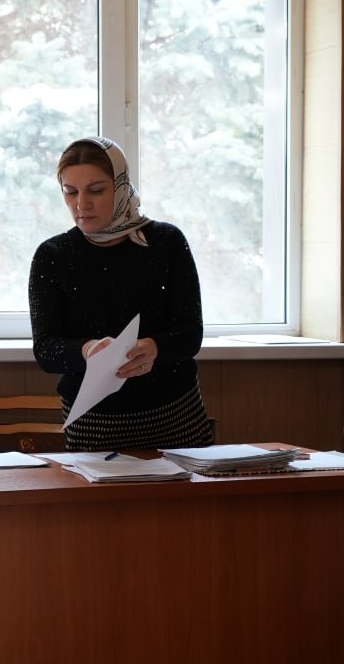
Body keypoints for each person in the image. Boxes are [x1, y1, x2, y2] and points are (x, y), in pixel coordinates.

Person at [29, 135, 214, 451]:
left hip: (175, 413)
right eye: (70, 192)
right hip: (94, 423)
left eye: (96, 190)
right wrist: (87, 350)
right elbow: (46, 349)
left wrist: (154, 347)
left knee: (183, 487)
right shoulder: (53, 255)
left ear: (121, 186)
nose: (81, 204)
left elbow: (190, 333)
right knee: (95, 488)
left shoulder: (167, 242)